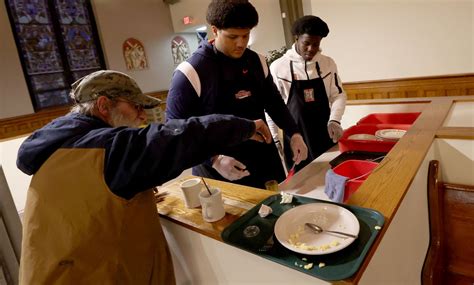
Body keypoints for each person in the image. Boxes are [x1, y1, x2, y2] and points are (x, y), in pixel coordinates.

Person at [16, 70, 273, 284]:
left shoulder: (62, 147)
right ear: (104, 105)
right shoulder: (105, 150)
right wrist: (245, 127)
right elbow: (179, 138)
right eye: (135, 106)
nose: (141, 115)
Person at [166, 0, 308, 189]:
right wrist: (214, 159)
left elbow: (274, 103)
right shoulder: (190, 72)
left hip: (262, 158)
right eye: (232, 36)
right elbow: (175, 129)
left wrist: (295, 133)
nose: (241, 43)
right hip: (219, 166)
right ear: (215, 30)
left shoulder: (257, 61)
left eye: (246, 35)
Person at [268, 15, 347, 171]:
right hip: (295, 137)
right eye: (306, 43)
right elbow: (271, 107)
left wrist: (335, 121)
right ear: (297, 38)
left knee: (330, 174)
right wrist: (275, 139)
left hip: (325, 134)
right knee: (301, 182)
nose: (311, 48)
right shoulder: (278, 67)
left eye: (316, 44)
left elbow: (338, 95)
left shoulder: (327, 63)